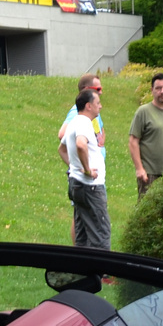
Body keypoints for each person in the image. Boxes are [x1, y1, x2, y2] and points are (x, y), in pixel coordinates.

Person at [57, 73, 103, 241]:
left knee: (84, 221)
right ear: (85, 91)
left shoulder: (92, 113)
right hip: (86, 179)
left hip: (90, 175)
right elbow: (63, 134)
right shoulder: (79, 113)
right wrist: (80, 167)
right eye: (97, 89)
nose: (101, 92)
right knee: (87, 223)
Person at [63, 89, 109, 249]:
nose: (100, 106)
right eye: (98, 103)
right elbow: (81, 144)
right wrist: (87, 170)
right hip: (91, 187)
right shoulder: (84, 122)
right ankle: (101, 272)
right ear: (89, 106)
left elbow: (61, 149)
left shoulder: (73, 122)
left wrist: (75, 167)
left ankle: (80, 271)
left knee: (81, 234)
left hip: (76, 184)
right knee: (101, 234)